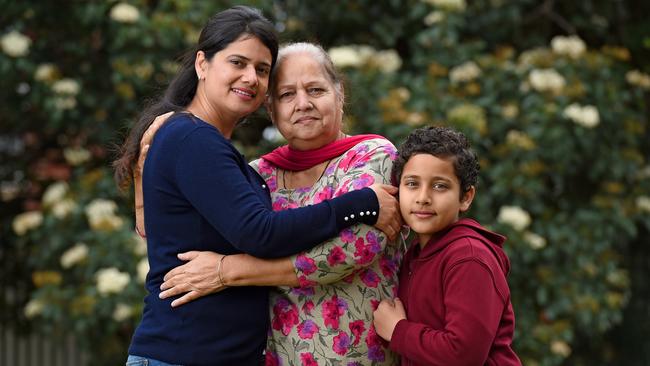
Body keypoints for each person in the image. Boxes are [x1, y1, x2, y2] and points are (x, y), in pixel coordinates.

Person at [114, 7, 400, 366]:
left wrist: (226, 270)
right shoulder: (204, 144)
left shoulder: (211, 149)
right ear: (202, 65)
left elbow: (353, 248)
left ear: (339, 94)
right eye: (238, 63)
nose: (250, 77)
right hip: (187, 352)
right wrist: (362, 203)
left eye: (261, 70)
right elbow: (260, 233)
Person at [373, 126, 521, 365]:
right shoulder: (415, 254)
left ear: (465, 197)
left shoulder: (469, 257)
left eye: (439, 186)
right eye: (412, 184)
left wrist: (398, 331)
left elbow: (464, 355)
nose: (423, 197)